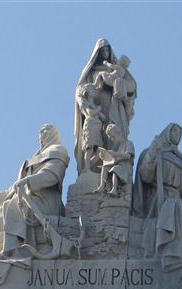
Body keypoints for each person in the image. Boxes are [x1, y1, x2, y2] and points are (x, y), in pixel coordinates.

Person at [132, 123, 182, 289]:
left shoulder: (181, 160)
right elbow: (146, 175)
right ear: (167, 133)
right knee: (174, 206)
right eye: (174, 131)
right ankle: (172, 254)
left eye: (179, 132)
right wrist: (153, 152)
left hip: (177, 201)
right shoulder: (155, 153)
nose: (177, 134)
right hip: (158, 202)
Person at [0, 124, 69, 259]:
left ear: (54, 133)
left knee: (11, 207)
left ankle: (10, 252)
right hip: (28, 198)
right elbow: (16, 186)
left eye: (45, 130)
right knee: (3, 207)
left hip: (45, 201)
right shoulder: (37, 155)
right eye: (40, 131)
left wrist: (27, 182)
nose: (41, 133)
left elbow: (51, 176)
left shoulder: (58, 151)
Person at [74, 39, 136, 174]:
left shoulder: (118, 68)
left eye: (107, 50)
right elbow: (80, 89)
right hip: (97, 108)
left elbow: (132, 86)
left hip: (115, 107)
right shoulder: (91, 72)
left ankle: (113, 167)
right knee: (96, 138)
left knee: (114, 135)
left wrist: (118, 84)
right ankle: (92, 169)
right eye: (102, 51)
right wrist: (83, 97)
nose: (105, 53)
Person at [94, 123, 134, 198]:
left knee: (115, 169)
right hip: (119, 166)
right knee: (105, 167)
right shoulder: (119, 147)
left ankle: (114, 189)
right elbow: (116, 160)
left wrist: (115, 154)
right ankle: (102, 186)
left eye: (113, 137)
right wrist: (106, 157)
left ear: (118, 133)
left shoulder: (128, 143)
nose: (112, 140)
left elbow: (128, 156)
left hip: (126, 168)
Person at [75, 82, 106, 172]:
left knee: (99, 150)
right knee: (89, 148)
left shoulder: (94, 105)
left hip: (97, 126)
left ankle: (88, 167)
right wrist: (98, 109)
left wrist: (97, 110)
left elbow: (103, 118)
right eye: (92, 90)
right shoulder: (84, 103)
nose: (95, 91)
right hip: (90, 124)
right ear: (87, 92)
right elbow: (90, 113)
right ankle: (87, 168)